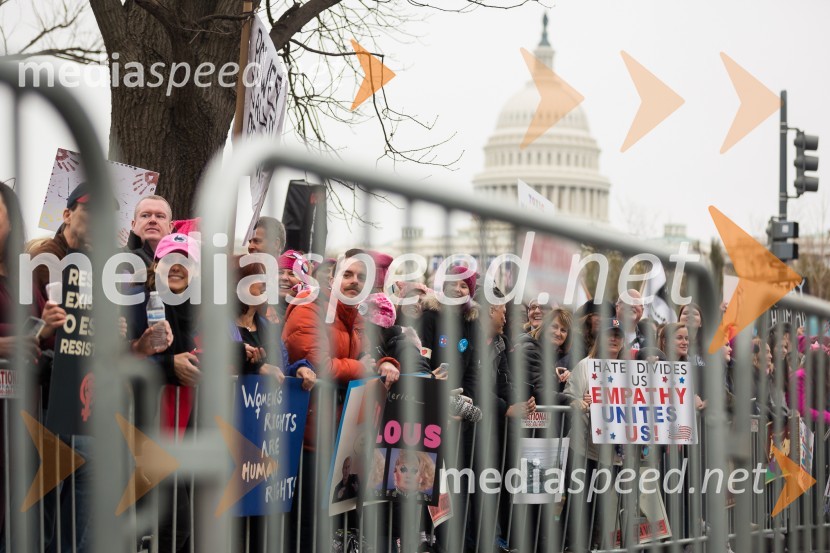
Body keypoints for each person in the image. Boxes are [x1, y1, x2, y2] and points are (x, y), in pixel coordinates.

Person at [128, 232, 200, 552]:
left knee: (171, 526)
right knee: (174, 524)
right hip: (137, 427)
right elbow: (121, 357)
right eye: (169, 258)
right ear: (156, 264)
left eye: (185, 261)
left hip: (176, 432)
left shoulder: (196, 310)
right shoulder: (135, 301)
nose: (177, 266)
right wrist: (170, 365)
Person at [126, 195, 173, 266]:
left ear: (170, 227)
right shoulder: (112, 257)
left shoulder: (180, 264)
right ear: (133, 224)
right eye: (145, 215)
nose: (153, 220)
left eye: (159, 216)